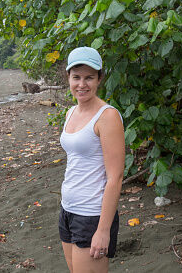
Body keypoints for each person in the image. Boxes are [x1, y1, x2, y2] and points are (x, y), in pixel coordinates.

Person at [59, 46, 125, 273]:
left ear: (99, 79)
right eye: (76, 77)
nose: (82, 84)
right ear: (68, 77)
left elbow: (115, 177)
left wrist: (103, 229)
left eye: (89, 77)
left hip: (92, 215)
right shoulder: (70, 113)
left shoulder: (107, 116)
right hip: (67, 209)